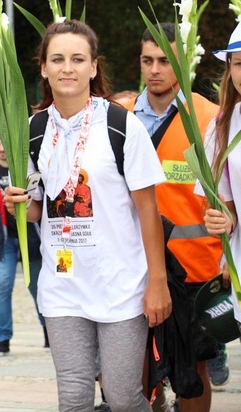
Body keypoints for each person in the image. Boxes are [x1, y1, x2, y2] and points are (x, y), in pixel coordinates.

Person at [3, 20, 171, 411]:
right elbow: (34, 213)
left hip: (121, 288)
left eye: (78, 59)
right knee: (74, 397)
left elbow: (149, 211)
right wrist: (16, 202)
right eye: (57, 59)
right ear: (42, 67)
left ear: (94, 67)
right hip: (63, 287)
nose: (67, 68)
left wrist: (157, 283)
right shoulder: (32, 130)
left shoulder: (119, 125)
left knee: (122, 396)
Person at [121, 23, 223, 409]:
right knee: (137, 368)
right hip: (132, 265)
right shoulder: (120, 116)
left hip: (194, 268)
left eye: (165, 61)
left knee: (191, 372)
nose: (155, 69)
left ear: (184, 64)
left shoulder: (211, 118)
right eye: (147, 60)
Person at [0, 128, 46, 357]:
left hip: (32, 239)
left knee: (38, 287)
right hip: (3, 240)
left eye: (5, 144)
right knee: (2, 286)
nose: (2, 149)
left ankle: (48, 333)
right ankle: (3, 340)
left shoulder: (26, 165)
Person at [201, 20, 241, 351]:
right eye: (239, 63)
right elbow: (225, 207)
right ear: (229, 68)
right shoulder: (221, 128)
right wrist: (224, 221)